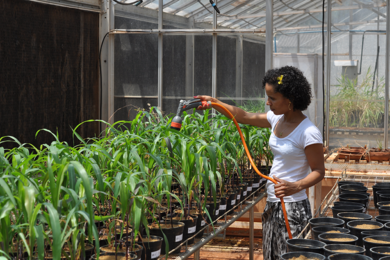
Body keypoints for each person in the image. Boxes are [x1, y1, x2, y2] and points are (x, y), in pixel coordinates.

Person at [196, 66, 325, 260]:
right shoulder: (276, 119)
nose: (268, 103)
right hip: (272, 204)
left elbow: (319, 171)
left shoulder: (308, 132)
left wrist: (295, 186)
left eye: (272, 98)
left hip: (292, 208)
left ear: (289, 99)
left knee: (289, 256)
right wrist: (215, 103)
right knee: (270, 256)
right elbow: (244, 116)